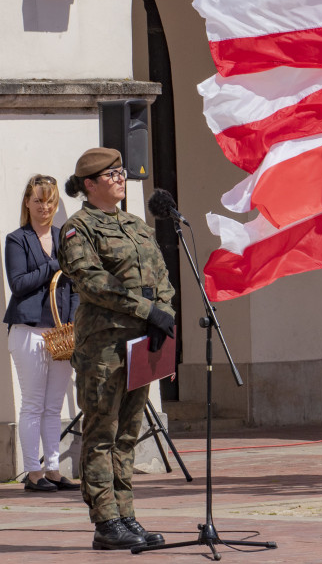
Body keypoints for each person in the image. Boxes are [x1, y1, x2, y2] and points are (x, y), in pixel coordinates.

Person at [57, 148, 176, 550]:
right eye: (111, 174)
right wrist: (147, 310)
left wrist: (163, 317)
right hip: (104, 346)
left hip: (142, 342)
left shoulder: (136, 225)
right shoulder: (78, 228)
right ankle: (106, 521)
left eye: (121, 172)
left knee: (129, 433)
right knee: (102, 433)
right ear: (89, 185)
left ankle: (126, 514)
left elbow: (162, 278)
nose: (121, 178)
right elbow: (93, 282)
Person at [4, 174, 79, 492]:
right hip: (30, 331)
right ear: (27, 202)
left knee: (55, 405)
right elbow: (18, 284)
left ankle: (53, 469)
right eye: (38, 201)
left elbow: (76, 284)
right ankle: (32, 472)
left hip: (61, 332)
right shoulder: (16, 239)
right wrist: (52, 265)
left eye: (50, 201)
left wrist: (72, 320)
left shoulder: (66, 237)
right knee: (33, 404)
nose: (44, 207)